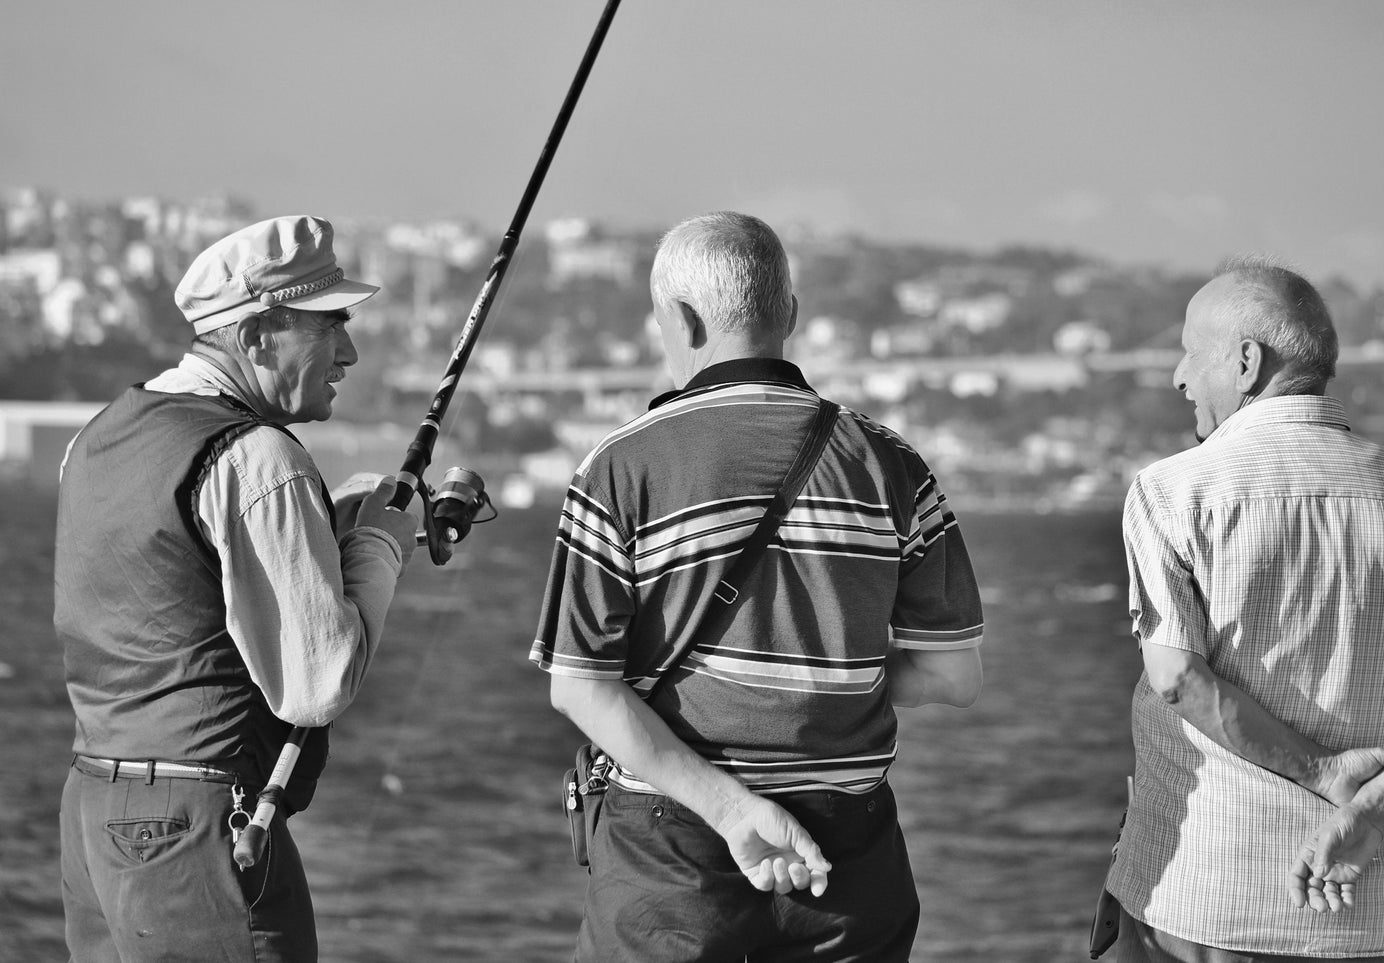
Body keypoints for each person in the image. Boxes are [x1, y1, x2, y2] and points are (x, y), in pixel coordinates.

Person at [530, 211, 985, 962]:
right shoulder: (894, 465)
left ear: (678, 319)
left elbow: (580, 687)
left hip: (671, 854)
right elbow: (953, 674)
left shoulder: (621, 466)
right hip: (846, 852)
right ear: (791, 315)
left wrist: (733, 807)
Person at [55, 214, 420, 963]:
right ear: (256, 338)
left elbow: (178, 574)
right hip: (196, 824)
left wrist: (332, 525)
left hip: (92, 812)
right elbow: (316, 684)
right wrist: (381, 541)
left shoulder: (95, 437)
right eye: (329, 325)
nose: (348, 350)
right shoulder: (260, 457)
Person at [1105, 257, 1384, 962]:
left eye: (1189, 352)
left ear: (1245, 360)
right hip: (1382, 910)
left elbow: (1176, 677)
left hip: (1212, 898)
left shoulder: (1172, 491)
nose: (1177, 376)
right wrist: (1373, 809)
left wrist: (1321, 772)